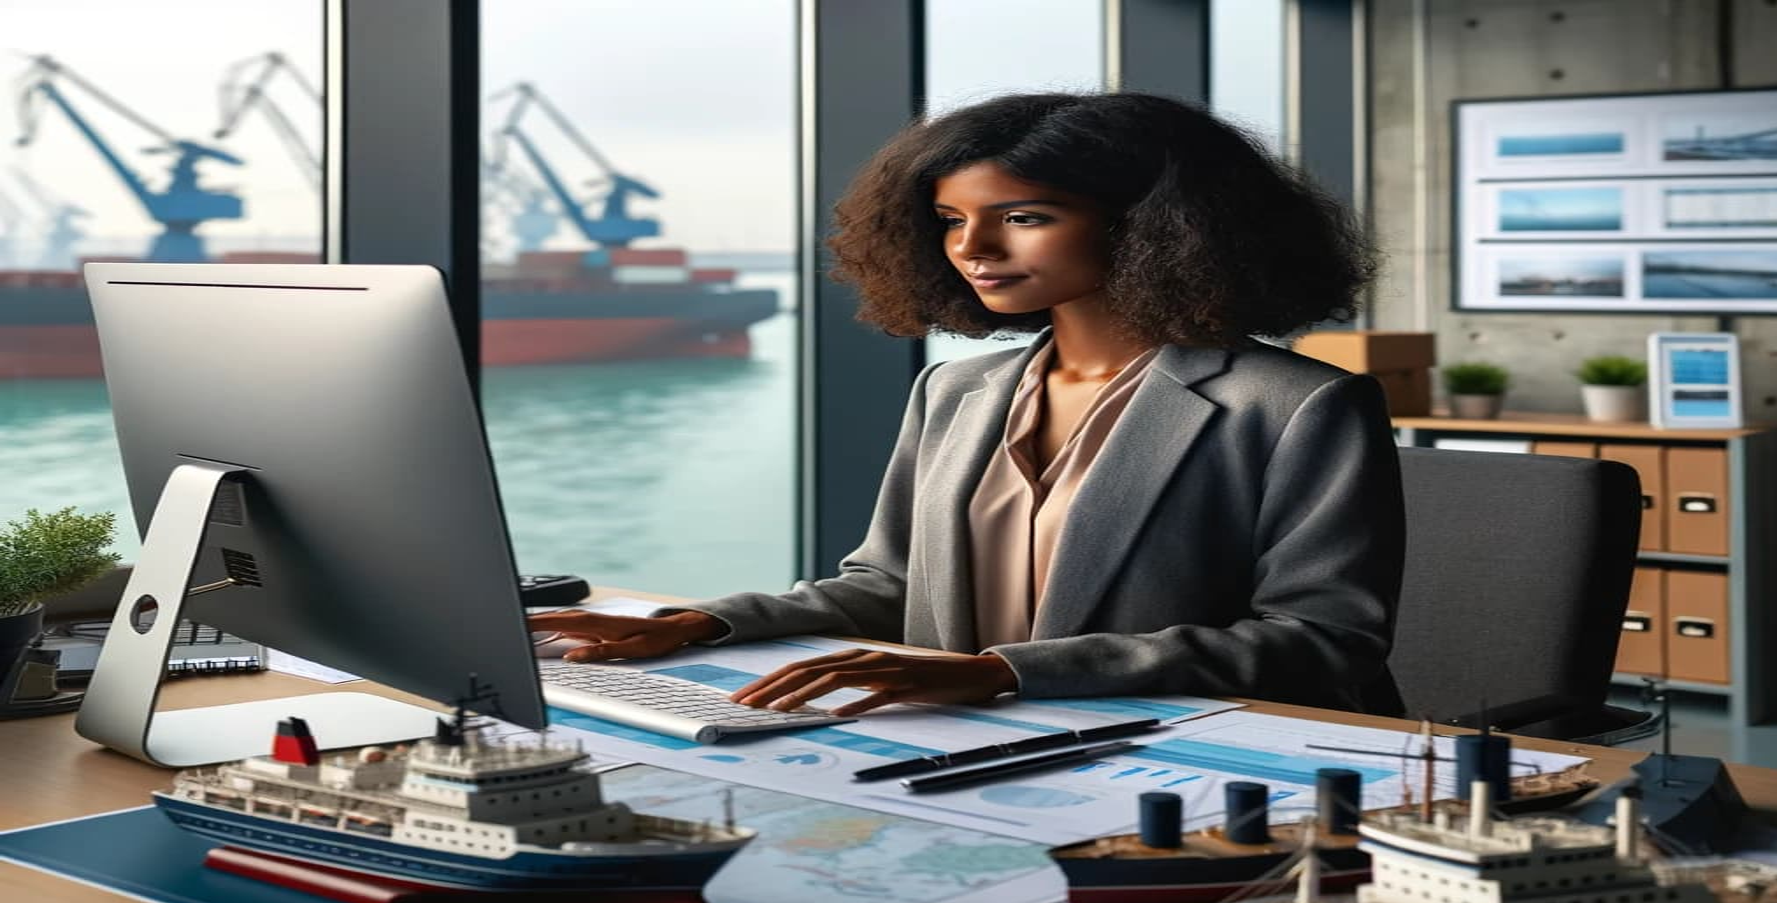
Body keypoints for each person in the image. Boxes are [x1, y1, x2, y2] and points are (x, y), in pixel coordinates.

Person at [529, 91, 1405, 719]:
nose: (971, 249)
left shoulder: (1299, 406)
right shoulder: (954, 391)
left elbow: (1324, 645)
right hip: (961, 743)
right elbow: (889, 586)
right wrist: (702, 622)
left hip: (1189, 757)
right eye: (950, 219)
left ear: (1152, 224)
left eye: (1021, 217)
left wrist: (1002, 674)